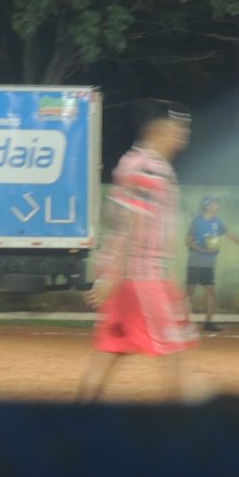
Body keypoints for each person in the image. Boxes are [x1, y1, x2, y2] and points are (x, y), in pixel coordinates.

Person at [77, 99, 198, 402]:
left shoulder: (135, 161)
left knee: (109, 351)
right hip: (143, 279)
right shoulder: (149, 167)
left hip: (132, 278)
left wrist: (109, 275)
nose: (184, 135)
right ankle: (182, 425)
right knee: (173, 352)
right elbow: (127, 225)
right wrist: (111, 278)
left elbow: (116, 219)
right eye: (179, 129)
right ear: (160, 129)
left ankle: (77, 416)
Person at [185, 196, 239, 333]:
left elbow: (231, 235)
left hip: (209, 264)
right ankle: (185, 322)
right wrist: (204, 250)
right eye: (214, 204)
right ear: (207, 206)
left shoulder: (217, 222)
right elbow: (188, 242)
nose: (217, 206)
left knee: (210, 292)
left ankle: (209, 322)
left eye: (217, 204)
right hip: (195, 262)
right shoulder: (197, 221)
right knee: (189, 293)